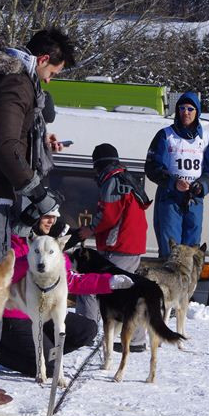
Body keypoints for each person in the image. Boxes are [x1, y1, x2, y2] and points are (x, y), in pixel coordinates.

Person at [0, 28, 76, 405]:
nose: (49, 81)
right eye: (52, 74)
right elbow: (4, 144)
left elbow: (7, 137)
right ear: (41, 61)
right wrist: (36, 191)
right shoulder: (15, 83)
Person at [0, 213, 133, 378]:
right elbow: (3, 276)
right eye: (46, 216)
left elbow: (71, 280)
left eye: (53, 217)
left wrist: (109, 282)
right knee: (51, 368)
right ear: (32, 216)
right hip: (15, 317)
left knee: (87, 329)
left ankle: (43, 355)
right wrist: (33, 259)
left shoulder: (53, 246)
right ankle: (1, 353)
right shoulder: (11, 243)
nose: (51, 221)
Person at [74, 143, 151, 352]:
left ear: (98, 164)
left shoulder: (111, 181)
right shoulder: (127, 178)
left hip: (118, 245)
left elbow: (109, 215)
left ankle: (84, 331)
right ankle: (136, 340)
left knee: (92, 286)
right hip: (132, 244)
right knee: (128, 291)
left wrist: (90, 229)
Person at [145, 92, 209, 259]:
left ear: (197, 112)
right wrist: (173, 182)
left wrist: (201, 185)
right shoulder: (165, 135)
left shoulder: (207, 138)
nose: (185, 112)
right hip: (170, 197)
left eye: (190, 109)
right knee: (171, 249)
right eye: (182, 108)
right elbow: (152, 167)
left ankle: (188, 283)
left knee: (191, 250)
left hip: (194, 199)